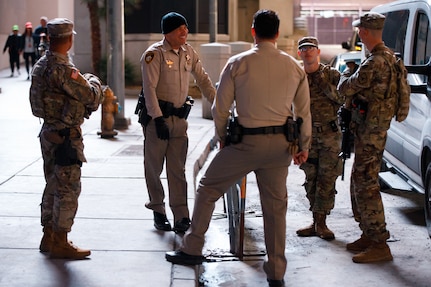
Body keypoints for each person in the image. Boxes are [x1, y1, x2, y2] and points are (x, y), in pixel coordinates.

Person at [166, 9, 312, 287]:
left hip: (244, 144)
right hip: (280, 146)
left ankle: (193, 247)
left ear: (253, 32)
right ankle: (276, 272)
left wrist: (223, 137)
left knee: (208, 188)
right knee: (275, 209)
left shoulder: (237, 63)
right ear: (278, 34)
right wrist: (303, 146)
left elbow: (220, 108)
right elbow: (304, 112)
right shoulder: (294, 67)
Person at [29, 18, 103, 260]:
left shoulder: (41, 65)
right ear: (69, 40)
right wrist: (93, 80)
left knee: (52, 184)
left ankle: (48, 236)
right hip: (65, 137)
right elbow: (91, 97)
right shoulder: (64, 70)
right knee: (68, 188)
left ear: (49, 38)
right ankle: (60, 240)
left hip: (48, 133)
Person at [140, 12, 216, 233]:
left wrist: (218, 104)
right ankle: (158, 210)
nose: (185, 31)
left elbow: (203, 80)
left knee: (177, 170)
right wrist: (157, 118)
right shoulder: (154, 55)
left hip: (179, 121)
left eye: (186, 27)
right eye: (180, 28)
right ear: (168, 32)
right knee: (154, 168)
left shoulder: (189, 52)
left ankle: (181, 215)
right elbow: (149, 89)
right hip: (158, 120)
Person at [338, 12, 395, 263]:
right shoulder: (390, 57)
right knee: (361, 180)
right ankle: (369, 235)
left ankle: (380, 242)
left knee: (367, 185)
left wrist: (344, 76)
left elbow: (345, 88)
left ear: (363, 33)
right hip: (374, 129)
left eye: (360, 30)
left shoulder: (374, 63)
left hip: (371, 132)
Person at [296, 36, 343, 241]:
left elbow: (342, 99)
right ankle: (315, 221)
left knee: (327, 177)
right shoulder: (296, 75)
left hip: (329, 134)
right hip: (307, 135)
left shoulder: (331, 74)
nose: (307, 52)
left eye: (311, 48)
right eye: (303, 49)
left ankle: (322, 223)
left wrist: (324, 84)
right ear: (299, 53)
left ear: (318, 51)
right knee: (311, 177)